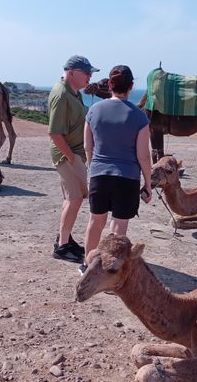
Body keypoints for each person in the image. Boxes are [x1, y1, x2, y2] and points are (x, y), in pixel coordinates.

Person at [82, 65, 152, 270]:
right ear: (131, 86)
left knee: (96, 221)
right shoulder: (139, 117)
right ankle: (110, 269)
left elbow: (88, 146)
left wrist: (92, 167)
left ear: (110, 85)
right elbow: (143, 156)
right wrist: (148, 184)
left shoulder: (94, 111)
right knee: (119, 226)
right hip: (127, 178)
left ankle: (88, 264)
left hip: (99, 174)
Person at [49, 55, 99, 263]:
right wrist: (71, 157)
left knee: (72, 197)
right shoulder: (62, 95)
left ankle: (65, 238)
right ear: (71, 72)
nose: (89, 76)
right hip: (67, 154)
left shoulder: (73, 93)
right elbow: (54, 132)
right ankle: (62, 246)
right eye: (86, 73)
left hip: (73, 153)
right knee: (75, 198)